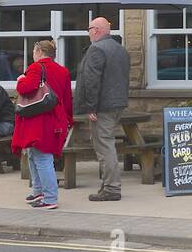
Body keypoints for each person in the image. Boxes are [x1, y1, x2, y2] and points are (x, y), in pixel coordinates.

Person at [12, 39, 73, 211]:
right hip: (57, 119)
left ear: (39, 52)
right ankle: (38, 191)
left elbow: (27, 88)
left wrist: (20, 80)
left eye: (34, 51)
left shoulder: (36, 67)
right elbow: (67, 98)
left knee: (42, 158)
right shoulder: (63, 71)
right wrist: (69, 120)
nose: (33, 55)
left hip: (40, 120)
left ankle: (50, 197)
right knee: (34, 155)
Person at [75, 16, 130, 202]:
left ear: (96, 30)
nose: (88, 33)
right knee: (107, 143)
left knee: (104, 146)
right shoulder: (120, 49)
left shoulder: (96, 49)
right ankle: (109, 185)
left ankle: (111, 188)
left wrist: (91, 106)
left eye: (89, 29)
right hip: (117, 103)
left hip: (102, 106)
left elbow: (92, 80)